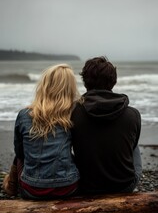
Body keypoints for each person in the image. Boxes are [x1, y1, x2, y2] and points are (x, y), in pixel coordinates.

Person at [2, 64, 80, 199]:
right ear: (70, 88)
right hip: (67, 188)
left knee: (19, 155)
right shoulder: (74, 114)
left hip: (31, 190)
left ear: (45, 85)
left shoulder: (24, 115)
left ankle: (11, 186)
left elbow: (20, 153)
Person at [71, 56, 142, 194]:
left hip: (85, 186)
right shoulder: (133, 114)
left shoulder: (72, 113)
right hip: (124, 186)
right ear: (113, 82)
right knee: (133, 141)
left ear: (85, 82)